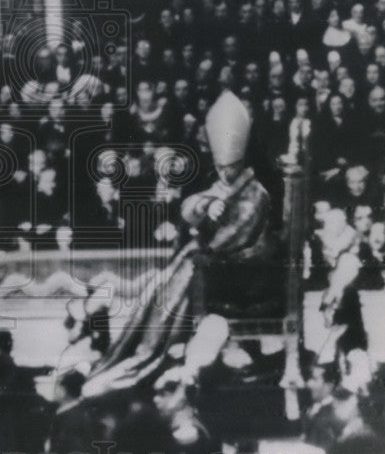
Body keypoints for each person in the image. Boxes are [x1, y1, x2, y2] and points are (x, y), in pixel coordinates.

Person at [83, 91, 279, 397]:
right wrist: (204, 206)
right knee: (160, 285)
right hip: (218, 264)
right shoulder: (226, 184)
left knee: (184, 271)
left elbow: (231, 238)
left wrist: (203, 235)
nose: (223, 172)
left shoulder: (255, 193)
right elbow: (190, 207)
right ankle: (136, 349)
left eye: (228, 166)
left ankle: (152, 354)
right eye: (220, 166)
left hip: (241, 274)